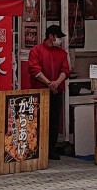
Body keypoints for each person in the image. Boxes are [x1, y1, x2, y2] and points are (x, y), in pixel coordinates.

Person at [27, 24, 71, 160]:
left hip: (56, 91)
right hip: (39, 91)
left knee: (54, 122)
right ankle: (36, 148)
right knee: (37, 120)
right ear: (51, 36)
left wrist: (56, 83)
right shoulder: (36, 50)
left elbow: (66, 71)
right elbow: (34, 70)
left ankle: (51, 149)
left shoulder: (62, 53)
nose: (59, 40)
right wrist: (49, 83)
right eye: (58, 37)